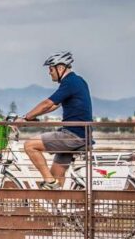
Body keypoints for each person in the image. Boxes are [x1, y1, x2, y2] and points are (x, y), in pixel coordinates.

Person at [18, 51, 93, 189]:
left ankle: (50, 182)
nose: (49, 72)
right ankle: (58, 207)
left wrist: (25, 118)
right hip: (80, 133)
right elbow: (54, 105)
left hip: (73, 135)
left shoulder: (70, 82)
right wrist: (32, 116)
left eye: (51, 69)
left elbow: (47, 103)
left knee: (29, 145)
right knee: (56, 176)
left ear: (60, 68)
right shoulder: (77, 81)